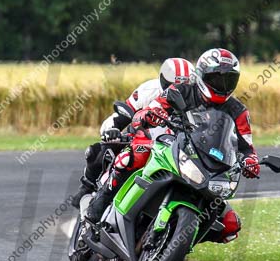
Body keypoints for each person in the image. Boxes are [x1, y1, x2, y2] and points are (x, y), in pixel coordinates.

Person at [86, 48, 259, 243]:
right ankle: (97, 208)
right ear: (202, 75)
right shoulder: (182, 90)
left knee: (230, 224)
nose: (223, 85)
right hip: (162, 143)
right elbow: (154, 107)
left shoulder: (238, 110)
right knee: (135, 154)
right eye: (216, 79)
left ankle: (177, 242)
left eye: (229, 80)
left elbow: (246, 146)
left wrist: (251, 161)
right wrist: (148, 115)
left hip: (201, 159)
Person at [70, 57, 195, 208]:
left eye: (184, 88)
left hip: (175, 152)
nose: (177, 92)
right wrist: (112, 130)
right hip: (140, 142)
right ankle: (89, 188)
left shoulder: (196, 103)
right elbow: (119, 117)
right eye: (172, 86)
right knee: (98, 151)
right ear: (163, 80)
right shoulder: (149, 90)